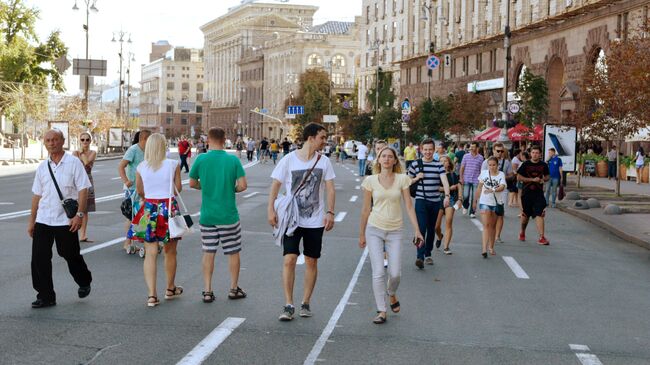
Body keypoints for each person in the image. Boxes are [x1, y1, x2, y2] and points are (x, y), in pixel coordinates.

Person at [267, 123, 336, 321]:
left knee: (311, 260)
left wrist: (330, 212)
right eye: (322, 137)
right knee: (289, 259)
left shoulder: (324, 162)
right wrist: (270, 209)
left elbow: (330, 188)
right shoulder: (289, 160)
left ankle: (305, 302)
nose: (325, 141)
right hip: (291, 219)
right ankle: (288, 304)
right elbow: (275, 185)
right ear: (311, 137)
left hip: (315, 220)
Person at [28, 129, 93, 308]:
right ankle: (46, 295)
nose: (51, 143)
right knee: (39, 258)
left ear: (62, 141)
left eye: (55, 139)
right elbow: (36, 195)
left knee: (69, 254)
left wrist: (79, 214)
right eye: (48, 140)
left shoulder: (73, 163)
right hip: (44, 219)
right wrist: (32, 220)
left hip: (66, 220)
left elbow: (83, 189)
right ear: (44, 143)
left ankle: (84, 280)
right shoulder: (42, 167)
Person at [359, 146, 423, 324]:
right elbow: (365, 209)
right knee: (378, 272)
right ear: (378, 160)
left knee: (395, 274)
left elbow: (409, 206)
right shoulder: (370, 180)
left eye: (390, 157)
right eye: (383, 156)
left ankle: (392, 293)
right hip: (374, 229)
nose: (386, 159)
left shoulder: (403, 179)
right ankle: (381, 310)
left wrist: (417, 230)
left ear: (395, 161)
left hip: (395, 230)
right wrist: (361, 234)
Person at [190, 127, 248, 303]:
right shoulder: (233, 161)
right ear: (224, 140)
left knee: (208, 252)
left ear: (208, 140)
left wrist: (205, 187)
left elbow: (192, 183)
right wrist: (231, 189)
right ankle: (233, 288)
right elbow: (243, 185)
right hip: (228, 216)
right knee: (233, 252)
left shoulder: (201, 159)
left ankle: (207, 290)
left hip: (207, 216)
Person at [127, 133, 184, 307]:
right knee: (170, 251)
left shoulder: (141, 167)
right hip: (168, 208)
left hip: (148, 209)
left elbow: (140, 190)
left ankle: (152, 295)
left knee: (150, 253)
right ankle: (170, 288)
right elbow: (178, 189)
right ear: (164, 147)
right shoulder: (173, 164)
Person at [407, 139, 451, 268]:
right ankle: (420, 256)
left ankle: (428, 254)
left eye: (430, 149)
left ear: (434, 150)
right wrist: (417, 177)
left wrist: (447, 196)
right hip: (420, 200)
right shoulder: (415, 164)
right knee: (421, 228)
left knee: (431, 229)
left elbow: (445, 181)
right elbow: (408, 182)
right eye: (425, 149)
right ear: (421, 150)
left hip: (435, 201)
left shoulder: (438, 165)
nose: (428, 152)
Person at [118, 129, 151, 253]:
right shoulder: (133, 150)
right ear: (144, 139)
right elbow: (121, 166)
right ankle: (128, 243)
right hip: (132, 188)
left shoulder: (149, 151)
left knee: (145, 214)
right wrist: (126, 181)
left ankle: (143, 239)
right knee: (131, 216)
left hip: (145, 187)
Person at [474, 156, 507, 258]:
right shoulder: (484, 173)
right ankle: (484, 249)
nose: (492, 167)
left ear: (497, 165)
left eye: (494, 165)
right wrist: (475, 200)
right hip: (484, 201)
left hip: (496, 203)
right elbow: (479, 187)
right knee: (486, 225)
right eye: (490, 165)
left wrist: (493, 190)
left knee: (492, 226)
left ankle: (491, 246)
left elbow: (502, 187)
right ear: (487, 165)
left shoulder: (501, 174)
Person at [517, 146, 551, 245]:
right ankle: (522, 232)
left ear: (540, 154)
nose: (535, 154)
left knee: (539, 213)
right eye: (533, 152)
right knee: (525, 216)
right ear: (530, 153)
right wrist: (532, 180)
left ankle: (541, 237)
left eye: (537, 153)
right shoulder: (525, 164)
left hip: (538, 193)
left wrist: (543, 180)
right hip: (526, 193)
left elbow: (548, 176)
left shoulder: (543, 165)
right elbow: (519, 177)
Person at [481, 143, 513, 243]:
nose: (500, 153)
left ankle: (497, 236)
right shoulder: (486, 162)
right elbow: (482, 176)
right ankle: (490, 232)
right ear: (493, 151)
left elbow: (511, 174)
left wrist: (501, 178)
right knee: (489, 214)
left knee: (500, 213)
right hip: (488, 190)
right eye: (498, 151)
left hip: (501, 190)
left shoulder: (506, 162)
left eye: (501, 151)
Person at [72, 132, 96, 243]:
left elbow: (86, 163)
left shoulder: (93, 152)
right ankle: (72, 233)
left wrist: (81, 153)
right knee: (74, 207)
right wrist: (79, 153)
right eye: (82, 140)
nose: (85, 142)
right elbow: (73, 167)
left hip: (87, 181)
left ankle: (83, 235)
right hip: (76, 181)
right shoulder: (74, 153)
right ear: (79, 141)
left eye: (87, 140)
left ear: (90, 141)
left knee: (84, 209)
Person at [434, 155, 461, 255]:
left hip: (451, 199)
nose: (443, 163)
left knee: (448, 221)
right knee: (436, 226)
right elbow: (437, 187)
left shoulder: (453, 174)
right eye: (441, 161)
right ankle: (440, 236)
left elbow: (458, 186)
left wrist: (460, 199)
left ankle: (446, 246)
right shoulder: (436, 174)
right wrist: (448, 188)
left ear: (449, 163)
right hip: (438, 199)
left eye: (445, 161)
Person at [460, 141, 484, 218]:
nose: (472, 148)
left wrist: (481, 180)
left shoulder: (481, 158)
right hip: (466, 178)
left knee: (474, 197)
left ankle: (472, 212)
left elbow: (481, 170)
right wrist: (461, 177)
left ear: (477, 148)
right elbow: (462, 167)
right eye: (471, 147)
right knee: (466, 195)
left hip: (476, 180)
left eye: (473, 147)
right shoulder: (465, 156)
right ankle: (465, 205)